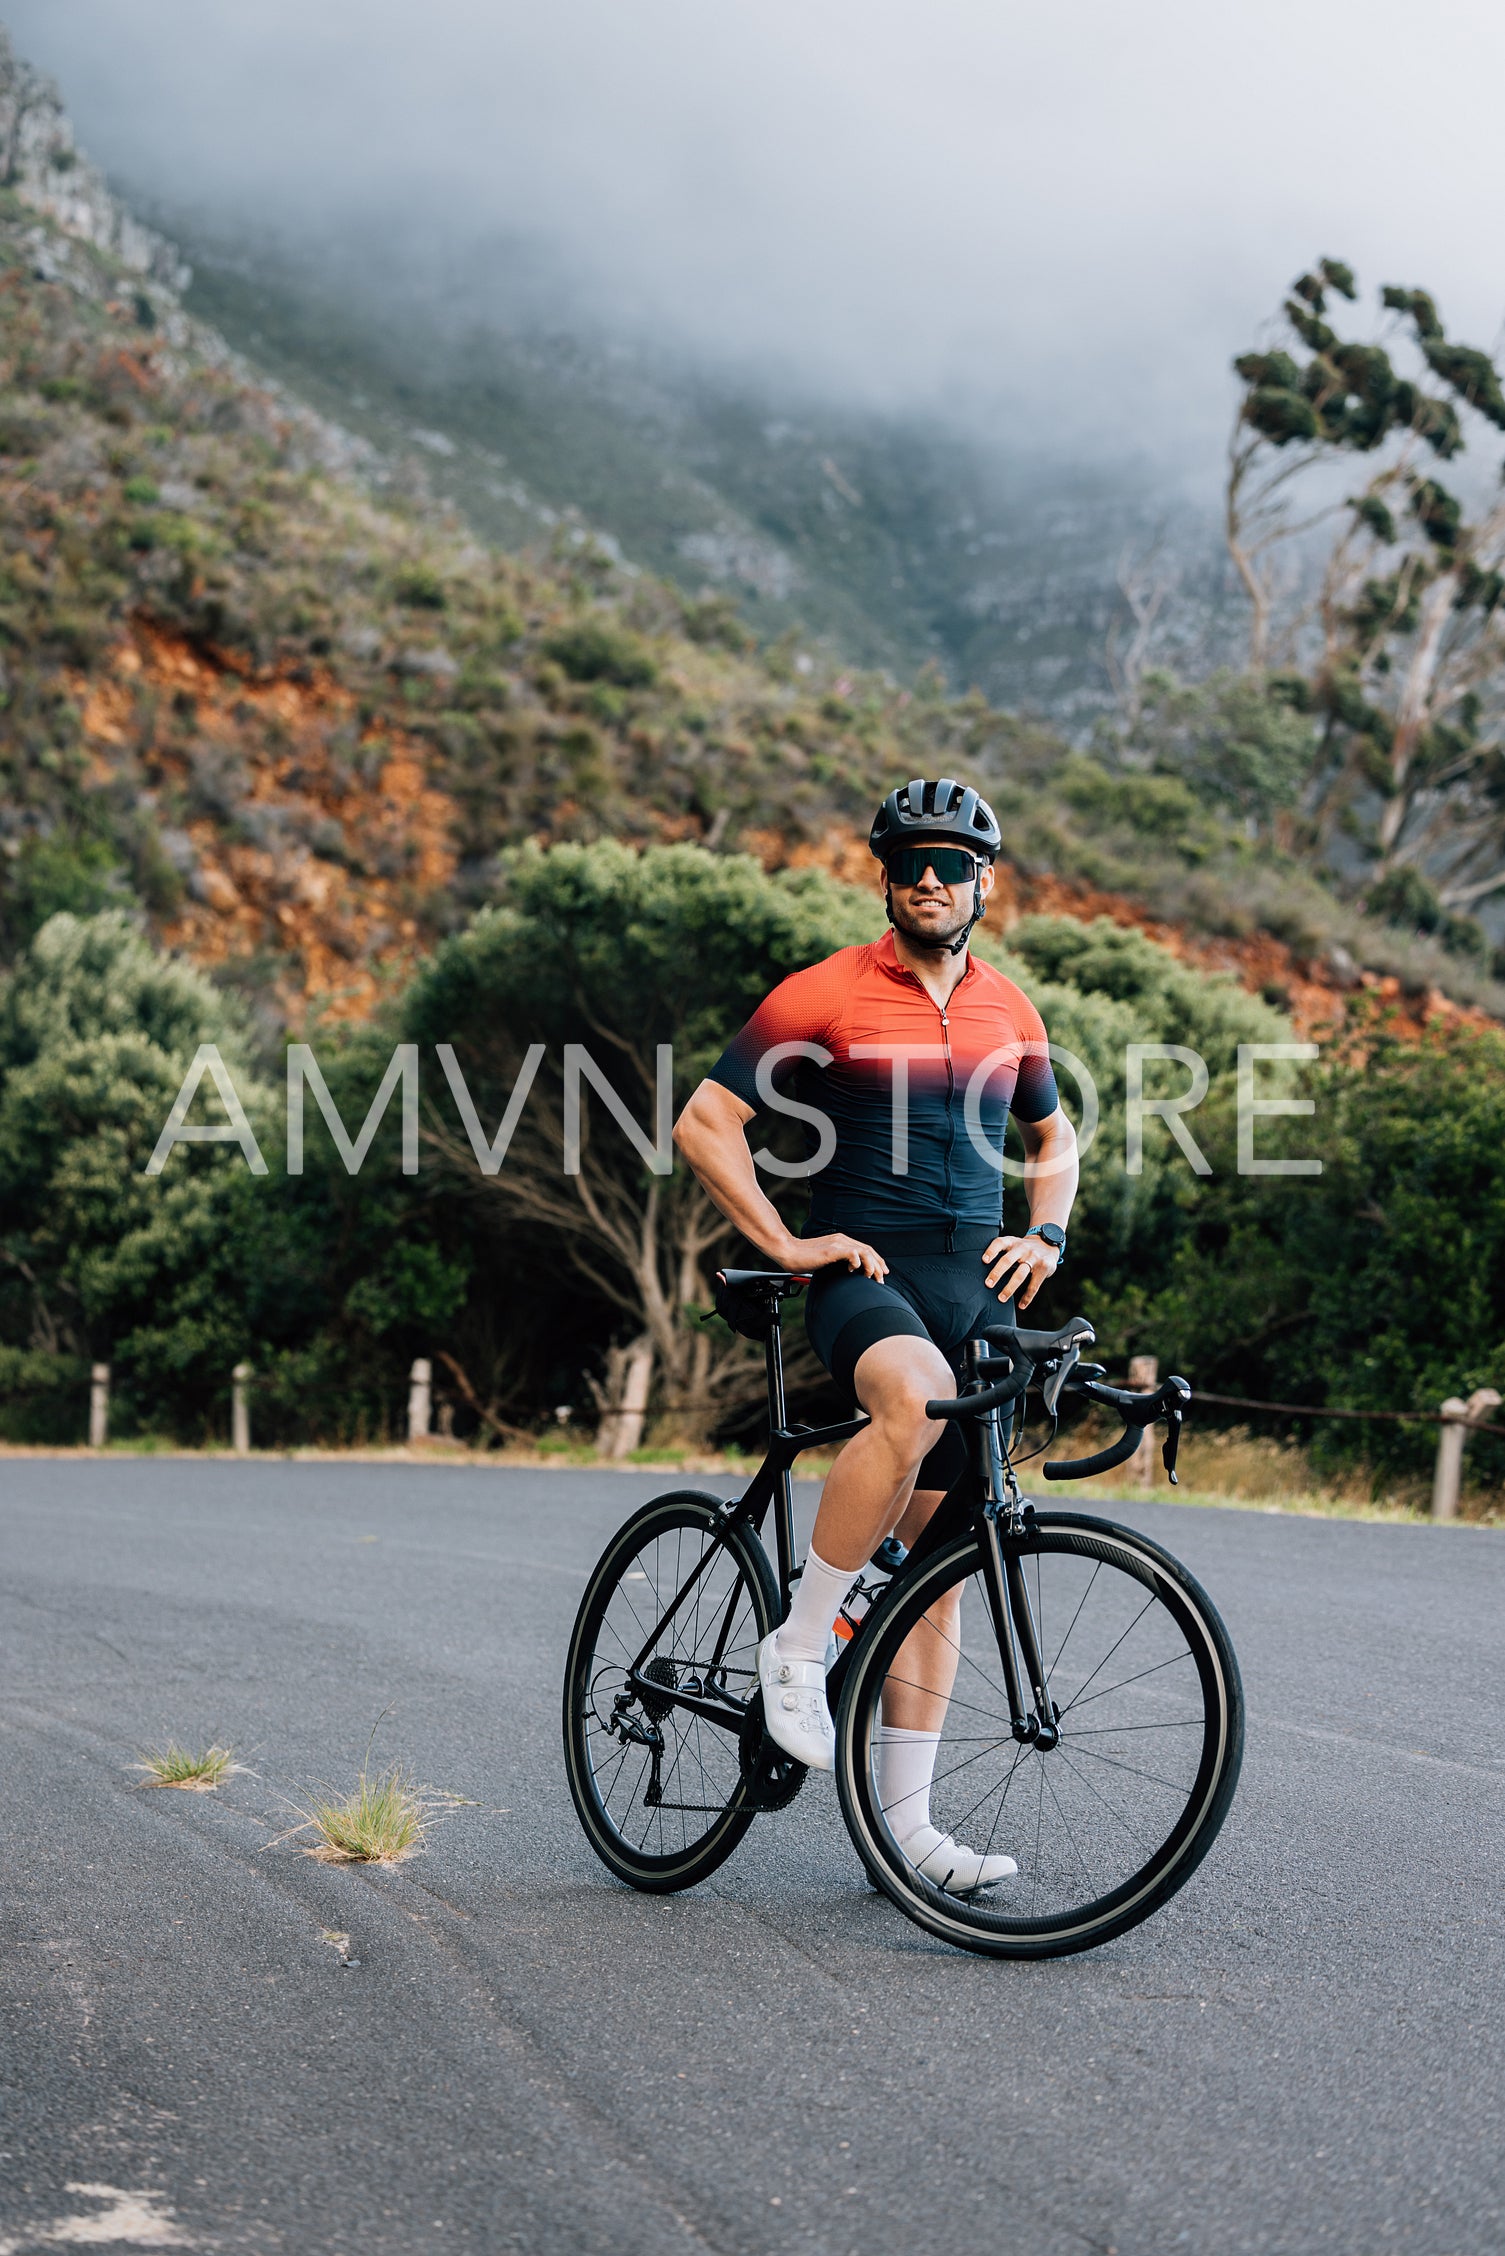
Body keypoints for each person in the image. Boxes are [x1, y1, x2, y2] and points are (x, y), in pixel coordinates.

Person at [673, 778, 1078, 1892]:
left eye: (953, 862)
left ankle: (906, 1833)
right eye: (910, 862)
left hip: (976, 1283)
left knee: (938, 1576)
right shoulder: (827, 990)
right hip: (867, 1273)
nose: (931, 880)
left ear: (986, 880)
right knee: (905, 1395)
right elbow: (705, 1122)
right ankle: (797, 1646)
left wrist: (1044, 1233)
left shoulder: (1009, 1008)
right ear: (885, 877)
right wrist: (783, 1241)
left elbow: (1053, 1136)